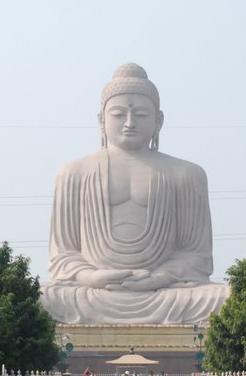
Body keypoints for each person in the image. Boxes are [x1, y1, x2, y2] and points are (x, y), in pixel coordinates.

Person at [39, 64, 229, 324]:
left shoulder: (187, 174)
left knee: (225, 298)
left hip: (164, 293)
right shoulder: (73, 173)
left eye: (140, 114)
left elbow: (196, 256)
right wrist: (93, 277)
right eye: (118, 114)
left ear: (158, 120)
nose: (129, 123)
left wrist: (160, 278)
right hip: (93, 292)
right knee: (40, 299)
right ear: (101, 120)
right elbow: (63, 255)